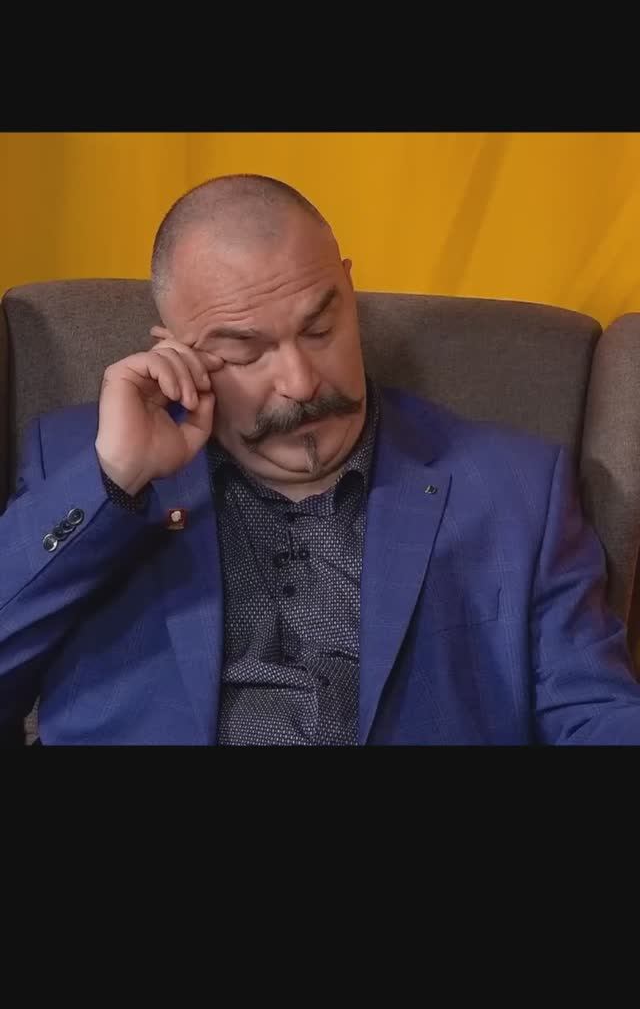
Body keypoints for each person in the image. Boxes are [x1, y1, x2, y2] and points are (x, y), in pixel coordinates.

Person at [2, 173, 640, 745]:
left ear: (348, 291)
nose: (302, 382)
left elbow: (594, 711)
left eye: (319, 329)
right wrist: (116, 481)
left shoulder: (515, 487)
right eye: (245, 352)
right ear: (177, 353)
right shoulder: (84, 465)